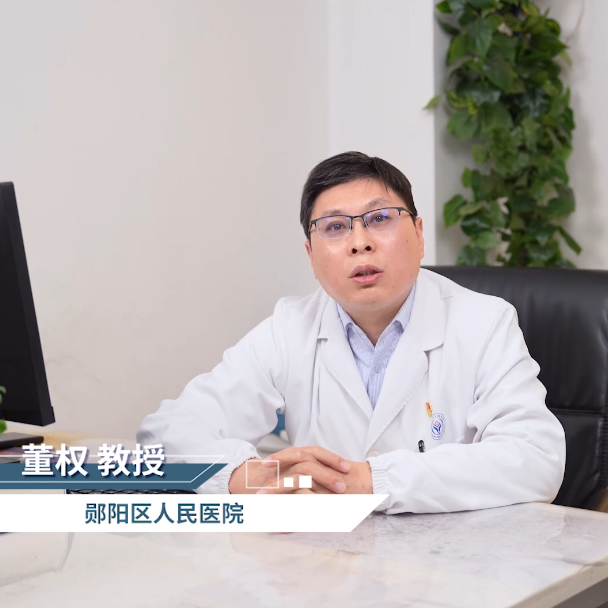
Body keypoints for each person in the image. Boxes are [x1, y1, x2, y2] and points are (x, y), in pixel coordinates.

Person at [137, 151, 566, 514]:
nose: (360, 242)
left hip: (455, 568)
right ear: (311, 255)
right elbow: (165, 433)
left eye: (379, 218)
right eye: (335, 227)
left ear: (419, 235)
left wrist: (374, 481)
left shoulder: (485, 322)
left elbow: (536, 458)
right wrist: (240, 476)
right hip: (324, 566)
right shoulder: (290, 328)